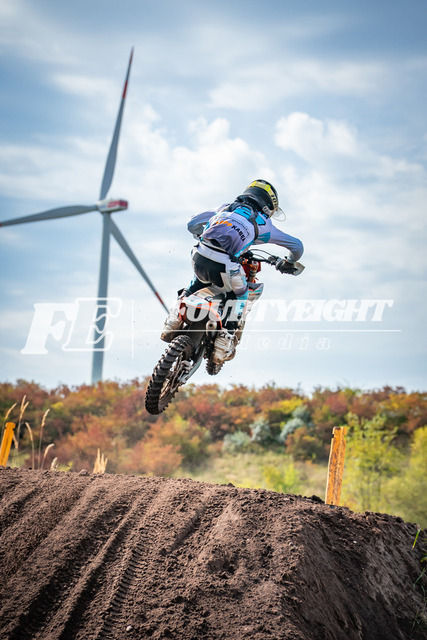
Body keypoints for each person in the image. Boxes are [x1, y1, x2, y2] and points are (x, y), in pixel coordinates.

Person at [161, 179, 304, 363]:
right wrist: (288, 261)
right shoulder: (264, 225)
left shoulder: (225, 208)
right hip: (225, 267)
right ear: (268, 205)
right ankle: (224, 340)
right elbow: (297, 246)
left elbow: (191, 223)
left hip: (198, 256)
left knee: (197, 281)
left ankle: (173, 319)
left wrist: (202, 233)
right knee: (242, 295)